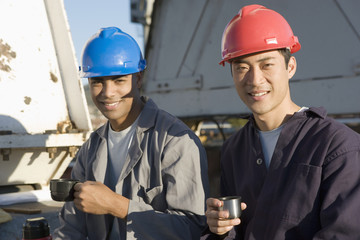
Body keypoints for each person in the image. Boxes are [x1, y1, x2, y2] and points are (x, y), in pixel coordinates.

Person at [202, 4, 360, 240]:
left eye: (267, 65)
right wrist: (221, 229)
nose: (255, 80)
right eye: (242, 67)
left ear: (290, 67)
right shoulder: (234, 150)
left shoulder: (337, 145)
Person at [53, 27, 209, 240]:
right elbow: (71, 229)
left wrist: (117, 206)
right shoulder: (90, 148)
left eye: (119, 80)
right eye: (98, 81)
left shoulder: (175, 141)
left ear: (138, 79)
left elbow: (191, 229)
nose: (108, 93)